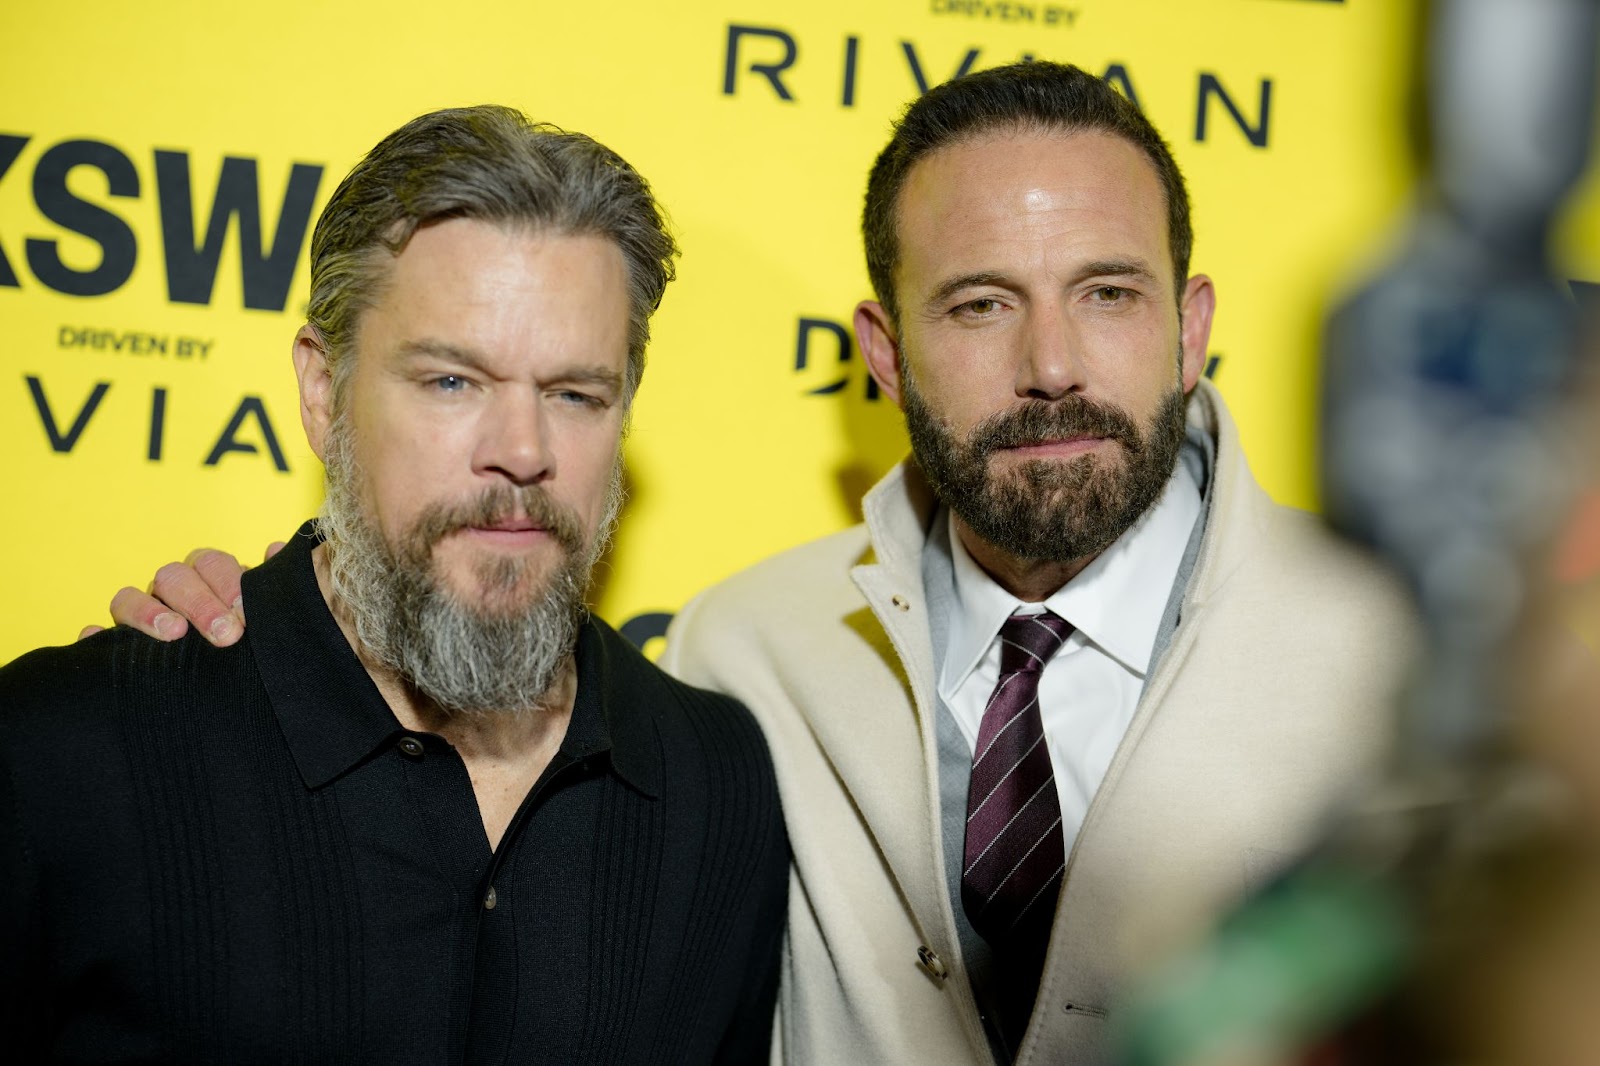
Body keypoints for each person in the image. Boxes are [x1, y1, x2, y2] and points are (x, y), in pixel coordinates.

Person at [94, 64, 1415, 1065]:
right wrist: (271, 628)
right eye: (979, 304)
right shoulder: (742, 652)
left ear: (1191, 327)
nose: (1052, 362)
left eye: (1108, 293)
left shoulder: (1410, 667)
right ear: (882, 350)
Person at [0, 105, 788, 1064]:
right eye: (452, 381)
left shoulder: (721, 782)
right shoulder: (61, 750)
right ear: (322, 391)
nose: (524, 453)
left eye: (575, 394)